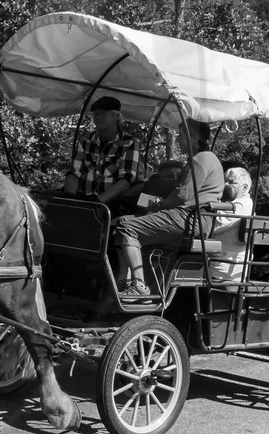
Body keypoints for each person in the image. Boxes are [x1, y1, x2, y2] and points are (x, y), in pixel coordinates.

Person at [111, 118, 224, 296]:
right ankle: (123, 281)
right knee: (123, 222)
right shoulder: (204, 158)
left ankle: (139, 285)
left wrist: (159, 205)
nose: (178, 139)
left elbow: (182, 195)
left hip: (191, 219)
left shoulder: (200, 159)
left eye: (181, 135)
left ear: (193, 137)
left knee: (128, 228)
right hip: (189, 217)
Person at [61, 95, 144, 208]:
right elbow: (75, 171)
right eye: (95, 114)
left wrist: (97, 203)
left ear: (116, 116)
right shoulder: (85, 140)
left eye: (103, 113)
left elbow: (125, 181)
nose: (98, 117)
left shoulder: (129, 143)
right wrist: (69, 199)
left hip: (111, 203)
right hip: (82, 198)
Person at [212, 165, 255, 283]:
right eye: (224, 181)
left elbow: (213, 226)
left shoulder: (242, 205)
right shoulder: (234, 203)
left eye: (231, 182)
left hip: (225, 268)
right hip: (221, 264)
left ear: (245, 187)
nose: (225, 185)